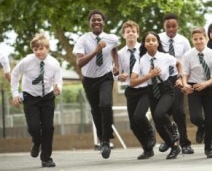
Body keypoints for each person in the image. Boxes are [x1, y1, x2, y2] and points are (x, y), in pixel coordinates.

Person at [72, 9, 119, 159]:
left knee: (105, 105)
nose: (97, 22)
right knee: (96, 110)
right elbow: (79, 63)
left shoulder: (111, 38)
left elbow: (114, 50)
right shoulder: (83, 40)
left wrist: (116, 65)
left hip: (105, 77)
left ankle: (106, 138)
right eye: (94, 20)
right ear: (90, 23)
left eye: (99, 19)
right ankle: (102, 140)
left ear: (103, 23)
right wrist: (96, 50)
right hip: (89, 79)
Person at [11, 33, 62, 168]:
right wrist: (15, 94)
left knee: (48, 128)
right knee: (34, 127)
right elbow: (15, 75)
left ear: (47, 48)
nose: (38, 52)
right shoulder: (27, 61)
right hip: (30, 97)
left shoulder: (54, 63)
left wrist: (59, 88)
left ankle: (46, 158)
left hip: (47, 97)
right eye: (35, 49)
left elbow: (58, 80)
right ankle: (36, 141)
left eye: (41, 49)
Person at [130, 31, 183, 159]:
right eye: (148, 40)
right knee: (158, 125)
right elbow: (132, 82)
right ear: (144, 44)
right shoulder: (141, 60)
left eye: (154, 40)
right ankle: (174, 147)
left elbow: (179, 63)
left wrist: (180, 77)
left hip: (166, 89)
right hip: (151, 91)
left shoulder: (165, 57)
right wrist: (148, 75)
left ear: (158, 43)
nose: (151, 42)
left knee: (159, 114)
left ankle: (173, 126)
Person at [117, 20, 156, 159]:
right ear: (124, 35)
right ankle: (147, 149)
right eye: (128, 32)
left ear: (138, 34)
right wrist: (120, 77)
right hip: (131, 89)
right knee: (133, 124)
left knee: (139, 116)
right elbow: (117, 73)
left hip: (146, 88)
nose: (131, 34)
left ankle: (151, 133)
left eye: (133, 31)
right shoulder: (120, 54)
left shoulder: (144, 49)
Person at [158, 13, 193, 154]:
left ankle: (185, 143)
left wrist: (183, 79)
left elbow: (188, 61)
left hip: (177, 78)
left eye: (174, 26)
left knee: (178, 111)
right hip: (161, 79)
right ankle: (169, 139)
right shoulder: (158, 39)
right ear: (164, 26)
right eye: (168, 27)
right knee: (162, 112)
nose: (171, 29)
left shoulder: (183, 41)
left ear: (178, 26)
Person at [182, 27, 212, 158]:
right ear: (192, 40)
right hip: (194, 88)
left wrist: (206, 84)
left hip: (209, 86)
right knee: (195, 117)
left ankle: (209, 147)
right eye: (195, 39)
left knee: (211, 118)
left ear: (206, 39)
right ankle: (201, 127)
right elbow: (185, 73)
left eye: (201, 38)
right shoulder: (188, 55)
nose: (198, 41)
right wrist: (185, 84)